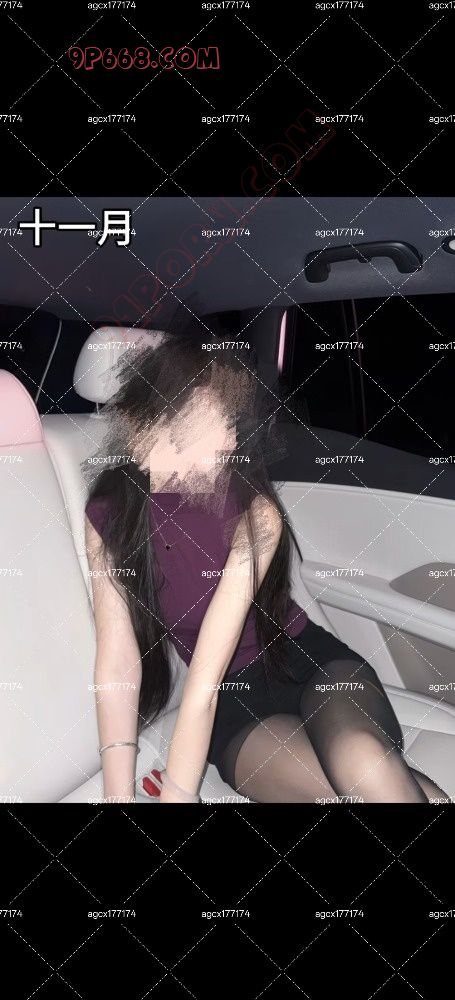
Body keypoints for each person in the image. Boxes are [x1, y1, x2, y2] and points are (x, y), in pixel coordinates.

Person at [83, 330, 450, 804]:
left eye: (234, 419)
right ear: (159, 421)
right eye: (217, 417)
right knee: (348, 792)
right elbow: (117, 658)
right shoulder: (109, 513)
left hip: (307, 663)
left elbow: (204, 680)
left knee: (364, 762)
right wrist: (118, 797)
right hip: (234, 706)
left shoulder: (256, 513)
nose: (232, 437)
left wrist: (175, 792)